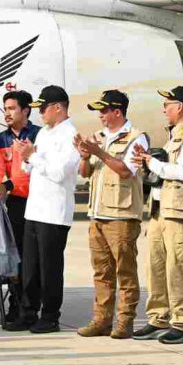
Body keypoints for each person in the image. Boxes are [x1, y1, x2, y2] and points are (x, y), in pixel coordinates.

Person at [131, 86, 183, 345]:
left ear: (181, 107)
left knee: (178, 269)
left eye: (168, 104)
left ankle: (181, 323)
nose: (164, 109)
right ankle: (158, 317)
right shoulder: (174, 136)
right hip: (160, 212)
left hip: (181, 214)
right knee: (155, 268)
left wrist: (154, 164)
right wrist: (147, 166)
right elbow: (163, 175)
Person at [3, 85, 80, 334]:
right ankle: (27, 312)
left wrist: (32, 157)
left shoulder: (70, 136)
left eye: (43, 108)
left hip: (54, 212)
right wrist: (26, 157)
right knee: (30, 268)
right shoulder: (45, 134)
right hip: (35, 209)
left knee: (49, 269)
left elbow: (60, 173)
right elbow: (31, 168)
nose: (41, 114)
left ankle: (50, 316)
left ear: (58, 107)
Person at [74, 90, 149, 339]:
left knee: (125, 270)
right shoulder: (99, 137)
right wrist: (85, 156)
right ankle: (101, 319)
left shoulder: (137, 138)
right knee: (101, 271)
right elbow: (85, 173)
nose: (101, 115)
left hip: (122, 214)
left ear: (118, 111)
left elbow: (126, 171)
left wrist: (99, 152)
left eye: (104, 110)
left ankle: (125, 321)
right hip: (97, 213)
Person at [0, 90, 41, 321]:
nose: (7, 113)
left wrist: (7, 185)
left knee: (33, 260)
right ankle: (16, 305)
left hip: (37, 203)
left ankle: (32, 307)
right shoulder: (1, 139)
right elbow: (0, 173)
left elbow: (33, 174)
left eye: (12, 108)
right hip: (15, 205)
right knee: (16, 258)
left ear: (26, 110)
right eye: (5, 108)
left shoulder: (40, 135)